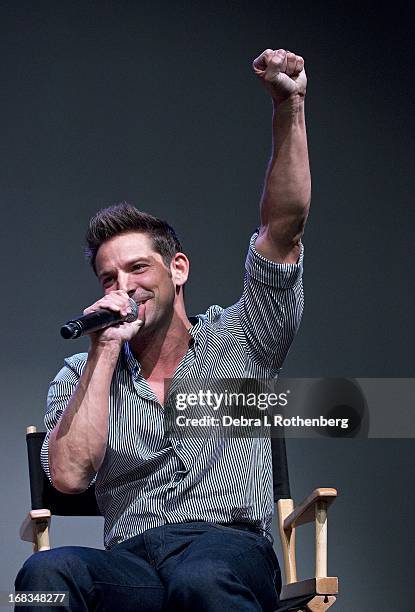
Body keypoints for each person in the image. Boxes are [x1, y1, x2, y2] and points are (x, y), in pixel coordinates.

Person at [16, 47, 310, 611]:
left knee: (198, 582)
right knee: (45, 574)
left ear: (177, 270)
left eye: (137, 269)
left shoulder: (244, 338)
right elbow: (72, 477)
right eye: (109, 278)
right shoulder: (81, 375)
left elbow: (283, 229)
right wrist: (103, 351)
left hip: (227, 547)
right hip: (131, 560)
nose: (123, 286)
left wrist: (288, 108)